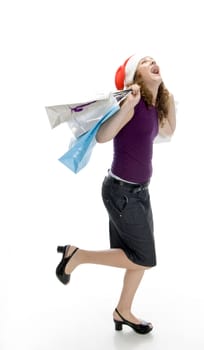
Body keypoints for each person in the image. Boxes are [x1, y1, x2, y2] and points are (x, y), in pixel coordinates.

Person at [55, 54, 176, 334]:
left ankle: (123, 310)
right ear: (135, 75)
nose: (153, 62)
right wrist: (127, 107)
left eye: (154, 59)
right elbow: (102, 136)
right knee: (143, 258)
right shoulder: (131, 103)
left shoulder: (152, 106)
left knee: (135, 257)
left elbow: (170, 130)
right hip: (121, 193)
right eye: (145, 62)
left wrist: (167, 102)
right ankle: (78, 255)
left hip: (139, 193)